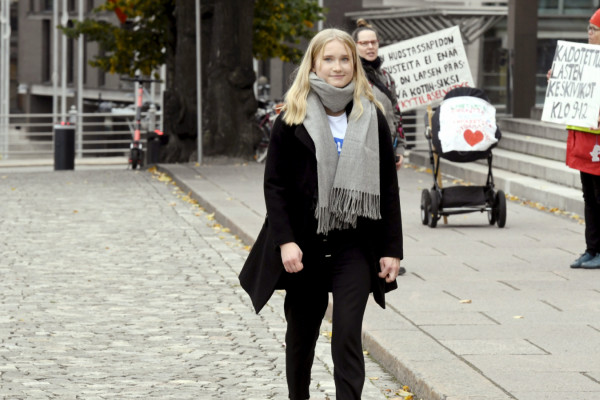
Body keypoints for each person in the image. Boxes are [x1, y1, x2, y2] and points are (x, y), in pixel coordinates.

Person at [239, 28, 403, 399]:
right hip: (305, 244)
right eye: (328, 59)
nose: (337, 66)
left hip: (354, 244)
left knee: (347, 335)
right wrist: (286, 242)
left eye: (345, 59)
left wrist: (391, 249)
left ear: (355, 64)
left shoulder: (371, 116)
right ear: (313, 64)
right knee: (301, 337)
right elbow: (275, 187)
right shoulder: (292, 118)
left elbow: (388, 188)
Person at [549, 8, 600, 269]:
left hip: (597, 144)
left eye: (594, 29)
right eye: (589, 28)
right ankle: (592, 249)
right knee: (589, 198)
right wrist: (557, 79)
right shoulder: (582, 61)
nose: (589, 33)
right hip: (584, 141)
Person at [352, 18, 406, 170]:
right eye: (364, 43)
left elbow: (396, 113)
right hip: (360, 152)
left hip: (388, 148)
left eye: (373, 42)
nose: (370, 47)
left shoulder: (387, 78)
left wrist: (400, 148)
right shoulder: (350, 76)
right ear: (354, 46)